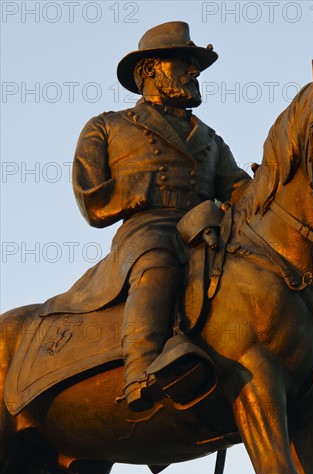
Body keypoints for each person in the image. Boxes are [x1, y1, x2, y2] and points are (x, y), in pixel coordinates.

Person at [71, 21, 250, 411]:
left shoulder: (211, 140)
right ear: (150, 69)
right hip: (147, 230)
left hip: (207, 232)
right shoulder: (108, 126)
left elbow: (239, 191)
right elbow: (91, 199)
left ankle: (308, 382)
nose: (195, 71)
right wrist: (147, 188)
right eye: (184, 62)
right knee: (158, 260)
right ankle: (142, 369)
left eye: (194, 65)